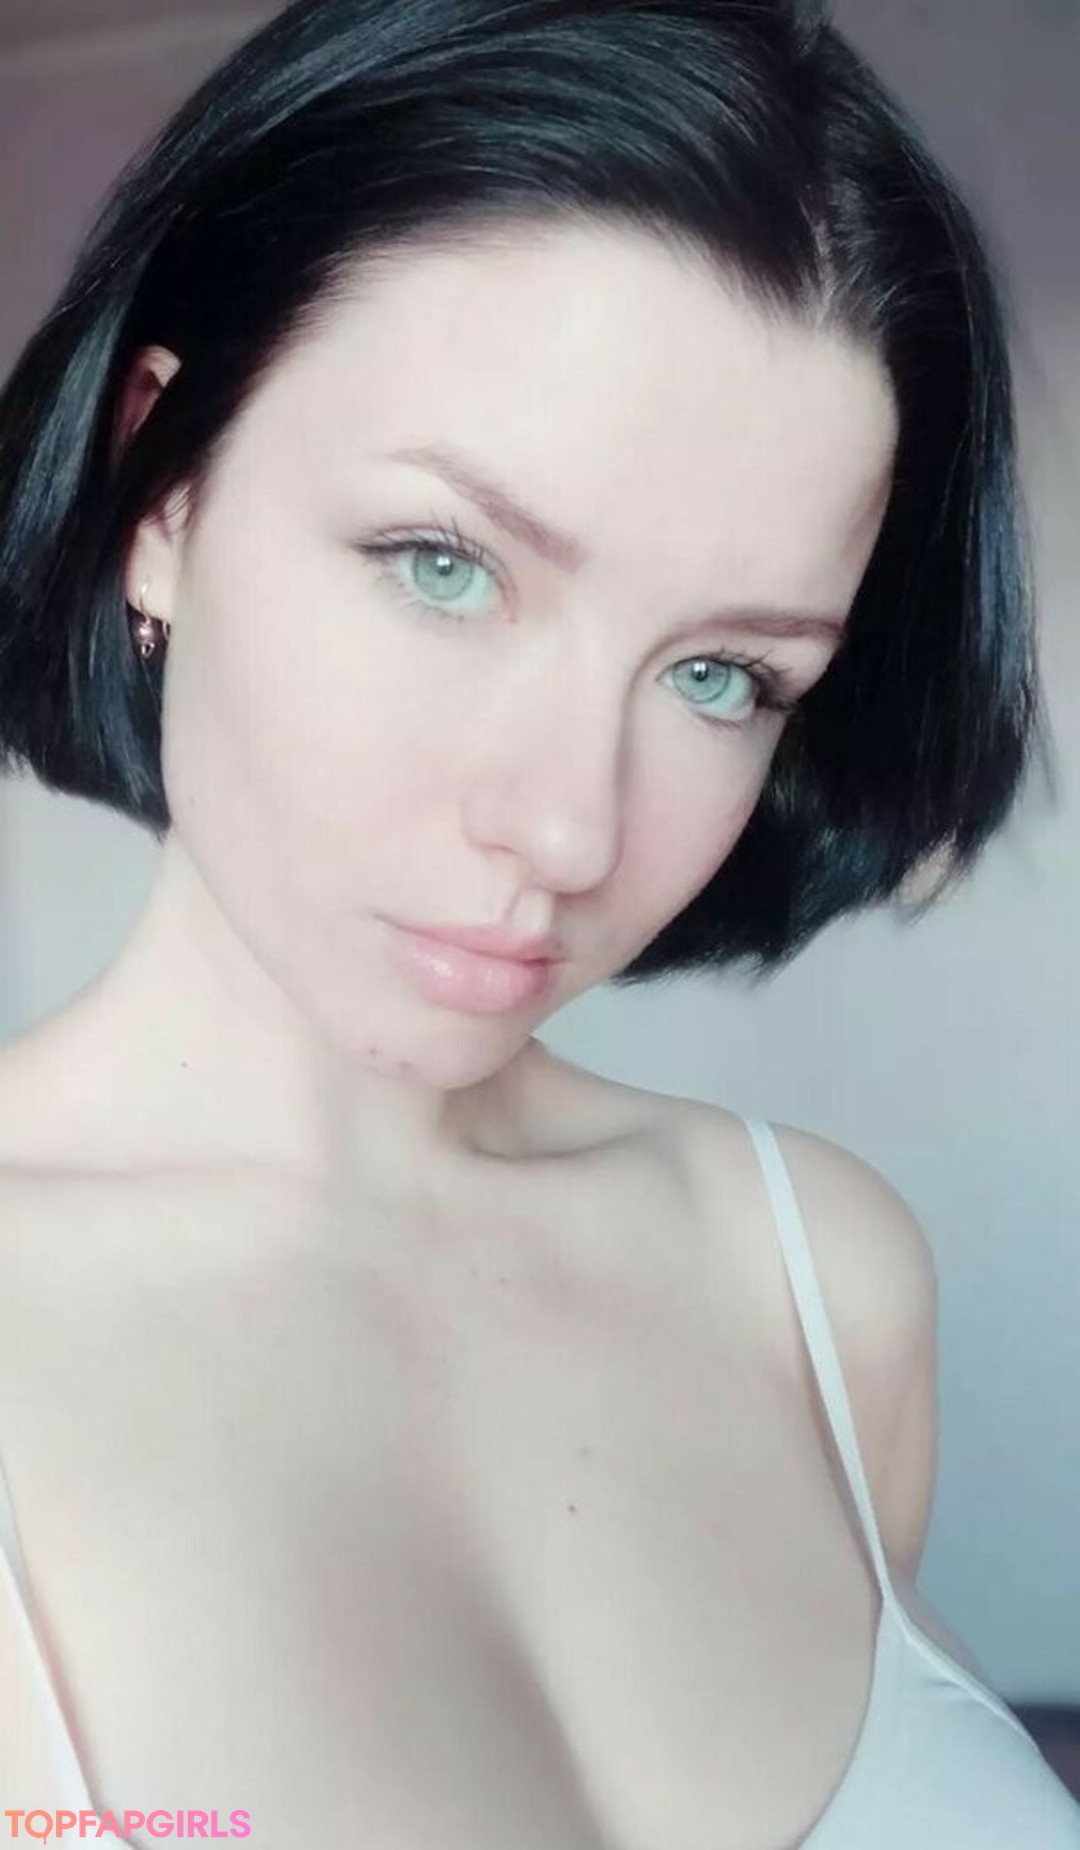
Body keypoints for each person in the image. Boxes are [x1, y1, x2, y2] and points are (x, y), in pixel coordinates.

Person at [0, 0, 1076, 1844]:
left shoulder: (818, 1281)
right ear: (159, 485)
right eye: (445, 565)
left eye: (725, 673)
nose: (572, 826)